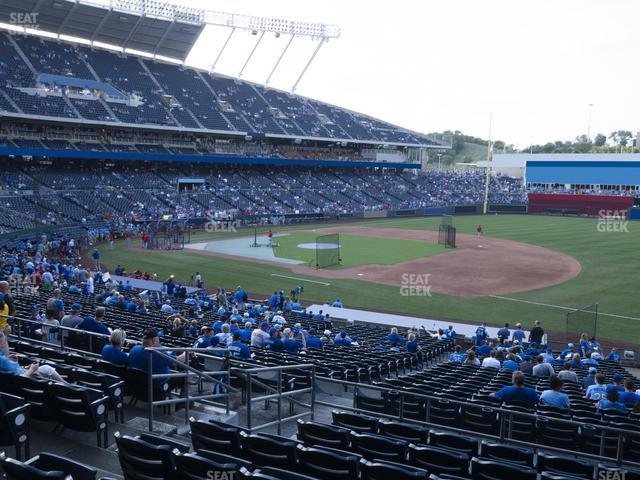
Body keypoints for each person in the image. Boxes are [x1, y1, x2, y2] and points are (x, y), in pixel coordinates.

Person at [0, 332, 65, 382]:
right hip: (25, 382)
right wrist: (32, 369)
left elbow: (11, 369)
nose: (6, 343)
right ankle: (67, 386)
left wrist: (9, 359)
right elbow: (20, 379)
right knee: (47, 368)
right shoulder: (4, 360)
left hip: (19, 375)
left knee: (46, 368)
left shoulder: (3, 358)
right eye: (5, 341)